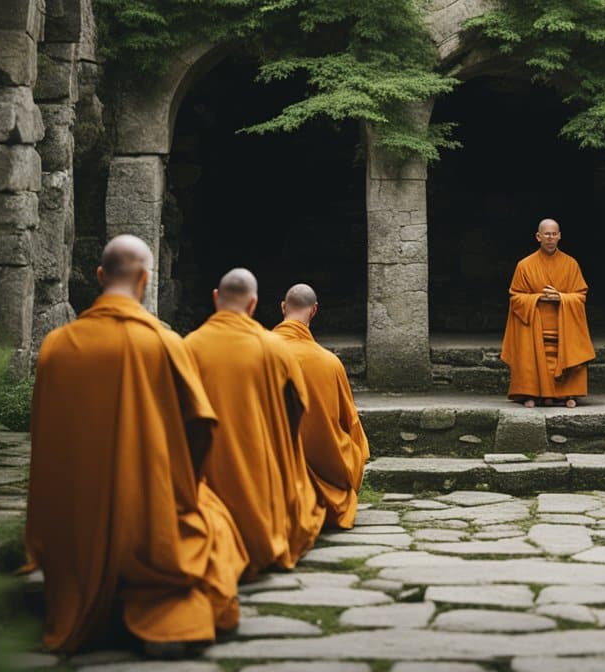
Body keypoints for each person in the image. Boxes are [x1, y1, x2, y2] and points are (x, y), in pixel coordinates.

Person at [25, 235, 246, 656]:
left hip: (73, 525)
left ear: (100, 275)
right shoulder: (164, 344)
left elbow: (46, 443)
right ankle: (161, 615)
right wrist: (185, 489)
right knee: (214, 526)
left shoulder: (56, 348)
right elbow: (200, 427)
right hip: (148, 520)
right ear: (146, 279)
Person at [184, 268, 322, 576]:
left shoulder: (187, 348)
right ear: (253, 305)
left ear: (216, 298)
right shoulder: (275, 349)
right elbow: (295, 412)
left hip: (206, 474)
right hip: (260, 475)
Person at [273, 283, 370, 530]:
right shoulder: (330, 363)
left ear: (283, 307)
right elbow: (351, 424)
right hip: (323, 467)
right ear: (314, 311)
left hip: (271, 471)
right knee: (354, 447)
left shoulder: (258, 352)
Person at [501, 218, 596, 408]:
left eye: (554, 234)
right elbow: (515, 297)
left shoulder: (571, 264)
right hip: (534, 326)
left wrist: (561, 297)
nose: (550, 238)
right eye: (546, 234)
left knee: (564, 355)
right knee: (533, 358)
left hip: (563, 324)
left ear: (559, 236)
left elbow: (580, 295)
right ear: (538, 237)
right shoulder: (524, 265)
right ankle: (532, 394)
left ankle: (567, 394)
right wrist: (537, 298)